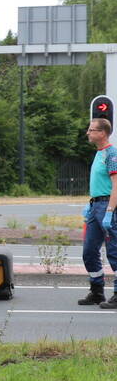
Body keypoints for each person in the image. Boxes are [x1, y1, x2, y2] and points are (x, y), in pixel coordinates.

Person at [78, 117, 117, 308]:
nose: (88, 132)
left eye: (92, 130)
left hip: (107, 206)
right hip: (95, 206)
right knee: (89, 251)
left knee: (114, 252)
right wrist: (91, 206)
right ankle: (97, 291)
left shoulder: (112, 154)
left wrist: (110, 211)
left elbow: (116, 185)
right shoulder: (98, 153)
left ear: (102, 133)